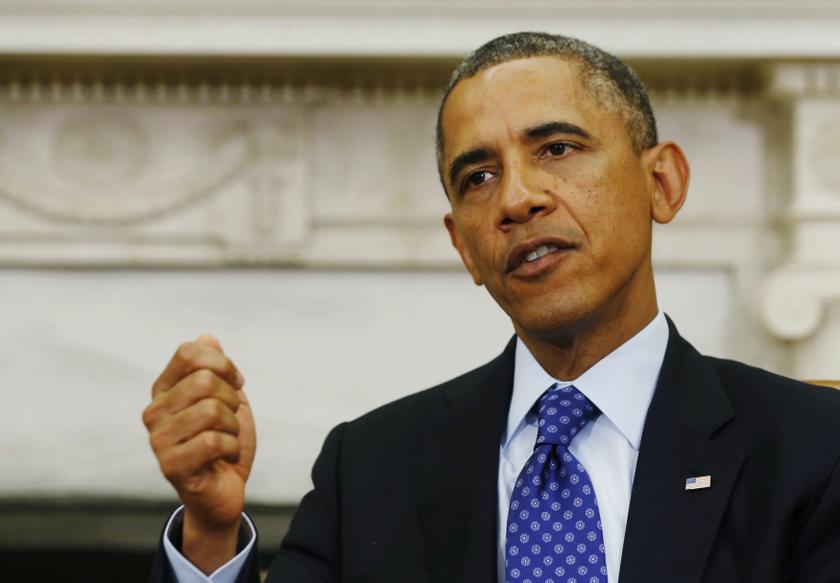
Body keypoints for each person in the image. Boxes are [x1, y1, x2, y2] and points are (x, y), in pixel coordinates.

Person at [143, 32, 840, 583]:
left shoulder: (812, 447)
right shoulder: (371, 466)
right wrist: (210, 533)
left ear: (662, 183)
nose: (516, 199)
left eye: (557, 148)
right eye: (478, 176)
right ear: (465, 248)